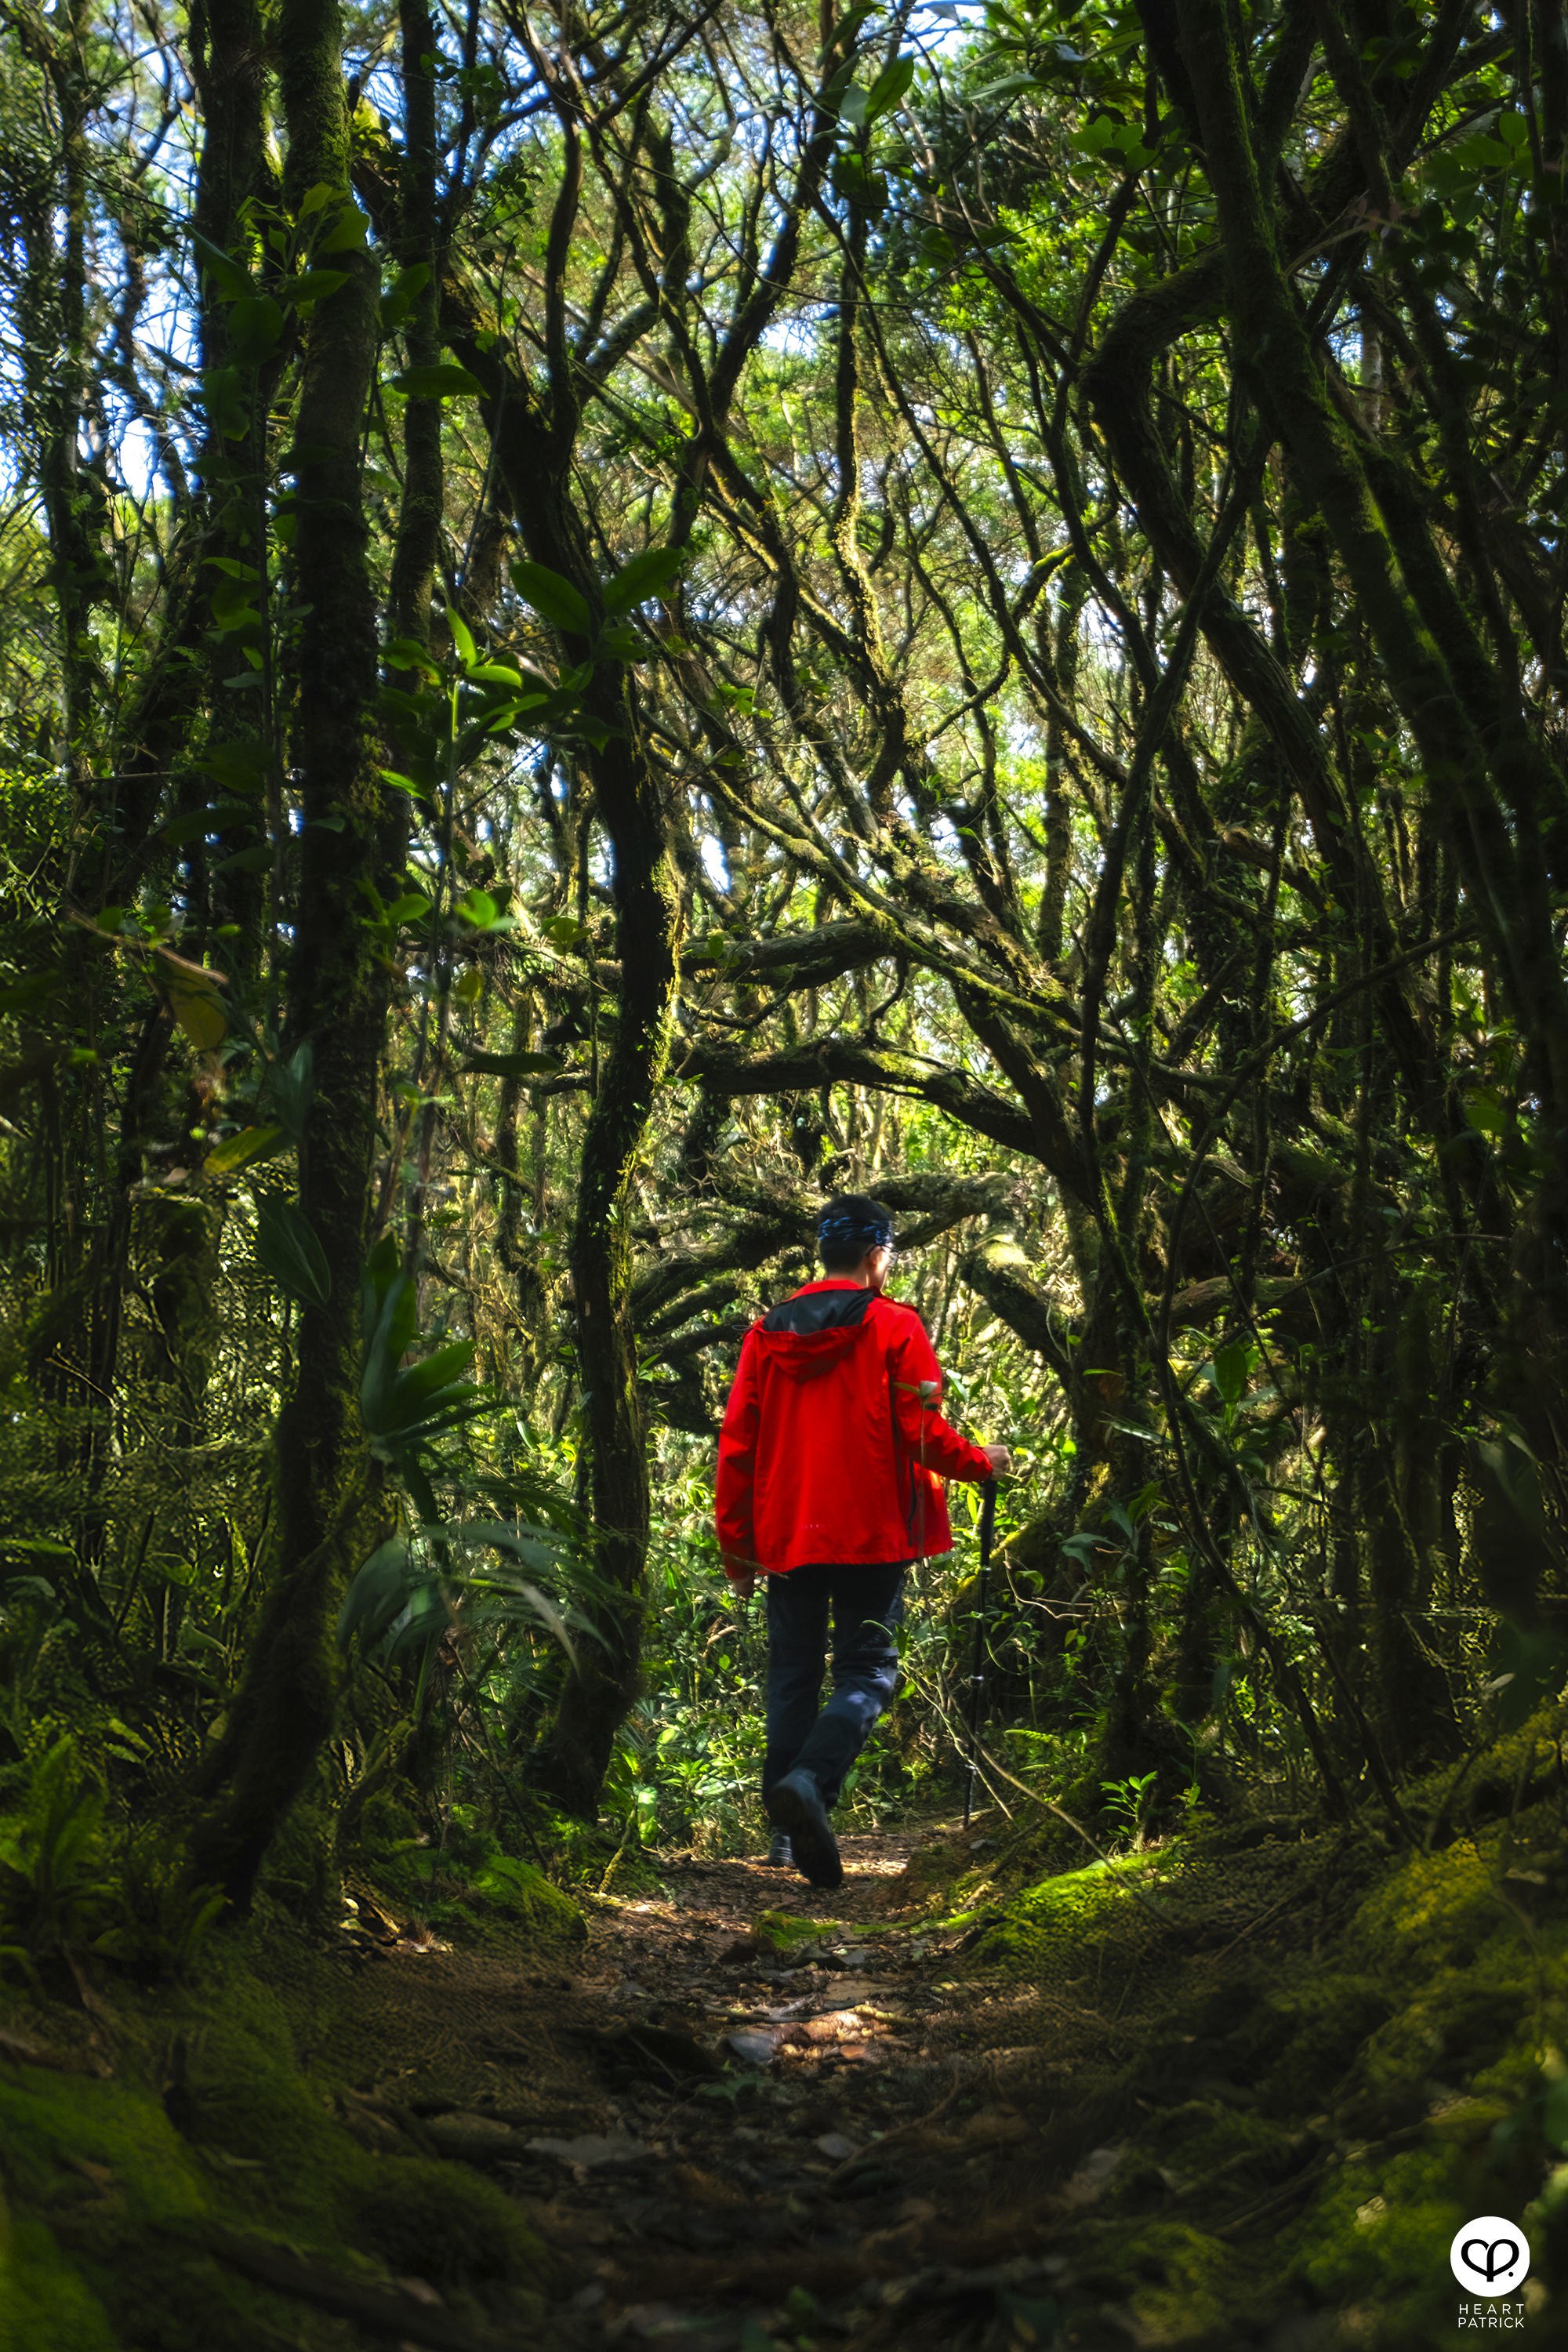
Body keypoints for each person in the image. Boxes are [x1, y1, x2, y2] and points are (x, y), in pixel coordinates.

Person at [714, 1193, 1010, 1890]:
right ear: (877, 1255)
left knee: (792, 1675)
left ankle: (785, 1835)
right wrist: (980, 1462)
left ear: (826, 1253)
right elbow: (920, 1430)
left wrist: (738, 1551)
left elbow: (737, 1447)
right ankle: (811, 1784)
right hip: (872, 1532)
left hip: (788, 1534)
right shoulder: (894, 1325)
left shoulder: (765, 1334)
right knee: (869, 1670)